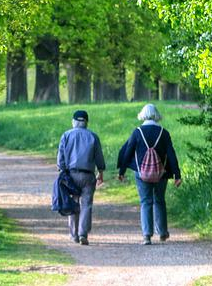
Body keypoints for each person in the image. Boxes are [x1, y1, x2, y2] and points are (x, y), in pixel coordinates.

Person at [116, 104, 182, 245]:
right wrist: (177, 175)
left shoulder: (137, 132)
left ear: (143, 115)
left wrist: (122, 171)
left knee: (146, 202)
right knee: (159, 201)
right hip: (161, 173)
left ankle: (147, 235)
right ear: (156, 115)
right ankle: (163, 233)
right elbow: (171, 154)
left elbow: (127, 151)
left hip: (142, 174)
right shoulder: (164, 133)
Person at [57, 110, 106, 245]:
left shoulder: (66, 135)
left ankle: (74, 235)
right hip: (88, 176)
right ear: (86, 122)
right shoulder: (93, 137)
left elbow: (60, 157)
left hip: (70, 175)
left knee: (73, 203)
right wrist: (101, 171)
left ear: (73, 121)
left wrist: (62, 170)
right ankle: (83, 234)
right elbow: (99, 157)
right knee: (86, 205)